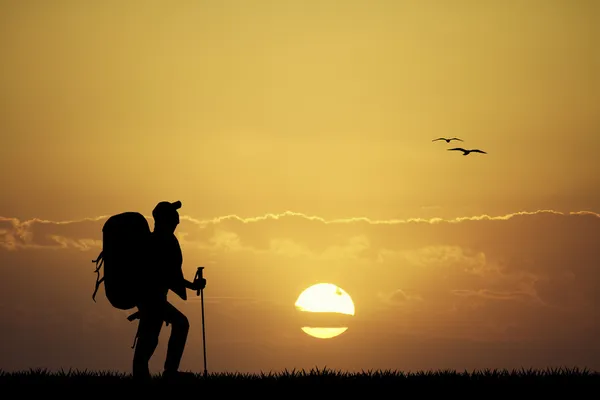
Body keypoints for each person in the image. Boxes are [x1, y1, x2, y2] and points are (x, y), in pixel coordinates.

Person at [132, 200, 206, 381]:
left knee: (150, 337)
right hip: (153, 299)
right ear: (166, 219)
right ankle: (168, 372)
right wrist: (192, 286)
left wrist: (189, 285)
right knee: (176, 326)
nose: (177, 222)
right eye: (174, 218)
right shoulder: (164, 241)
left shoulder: (152, 240)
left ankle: (146, 375)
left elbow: (169, 275)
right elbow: (169, 275)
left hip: (150, 298)